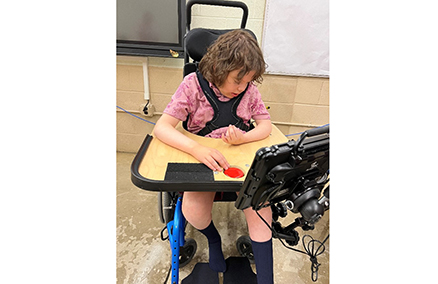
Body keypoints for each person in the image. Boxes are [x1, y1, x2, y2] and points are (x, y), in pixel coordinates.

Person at [153, 29, 274, 284]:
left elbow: (265, 126)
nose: (242, 87)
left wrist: (244, 137)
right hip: (203, 155)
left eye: (247, 82)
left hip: (239, 157)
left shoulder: (249, 92)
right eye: (237, 81)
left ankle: (266, 279)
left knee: (263, 209)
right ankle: (213, 238)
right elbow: (161, 128)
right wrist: (196, 148)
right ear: (219, 67)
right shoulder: (192, 86)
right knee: (193, 210)